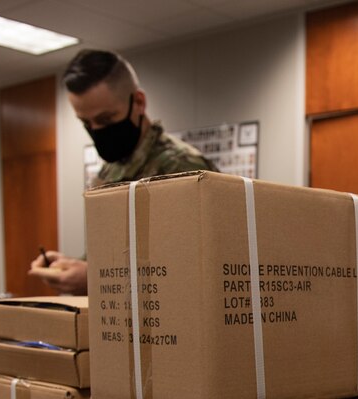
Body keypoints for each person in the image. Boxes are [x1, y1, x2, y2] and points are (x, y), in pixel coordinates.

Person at [29, 49, 217, 295]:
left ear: (138, 102)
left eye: (106, 119)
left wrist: (94, 279)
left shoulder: (182, 167)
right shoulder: (111, 169)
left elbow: (195, 268)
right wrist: (69, 267)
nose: (96, 131)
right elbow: (108, 252)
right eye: (86, 123)